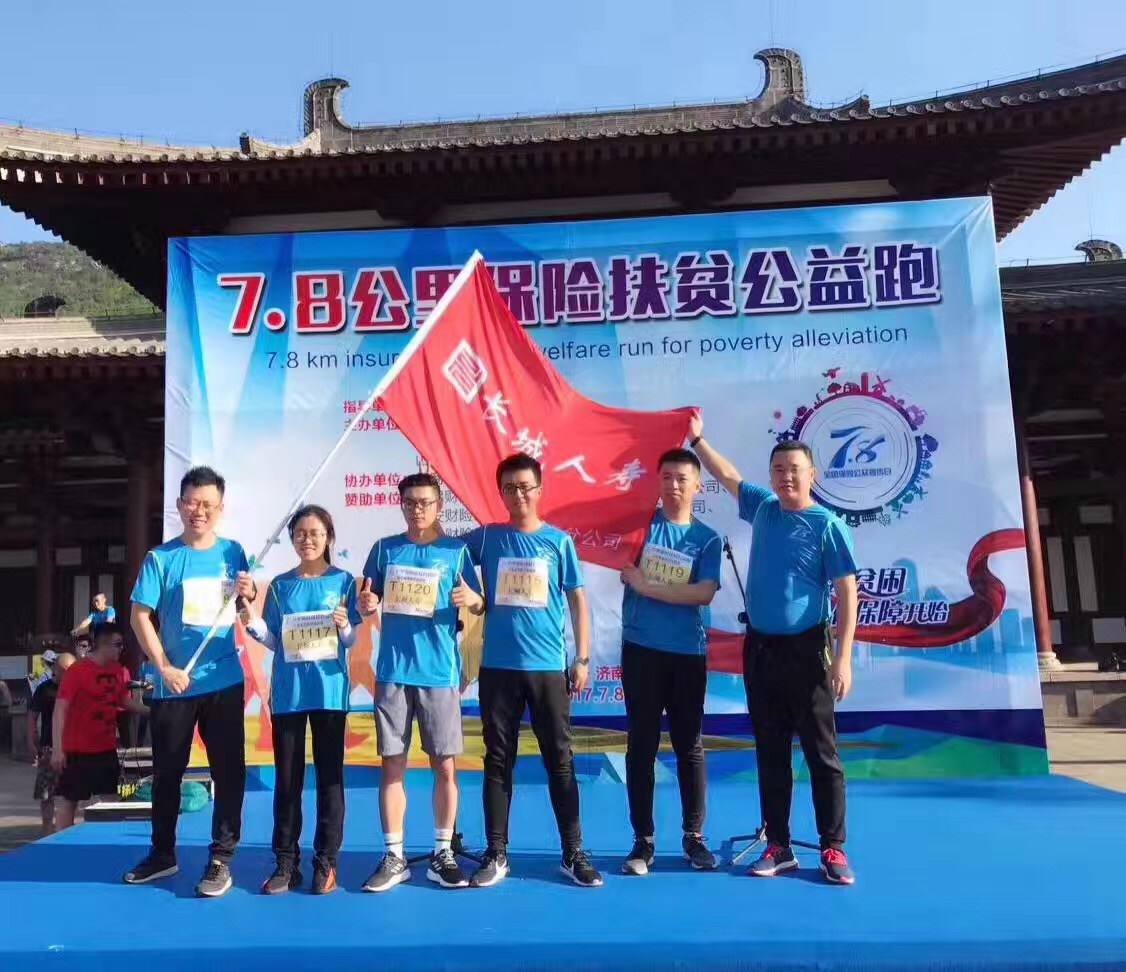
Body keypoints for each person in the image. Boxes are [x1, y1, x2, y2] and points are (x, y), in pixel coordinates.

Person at [690, 414, 858, 885]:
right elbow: (728, 476)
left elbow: (847, 593)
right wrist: (698, 440)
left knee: (822, 754)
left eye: (794, 470)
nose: (786, 477)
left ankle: (833, 847)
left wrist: (844, 659)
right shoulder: (764, 508)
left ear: (812, 475)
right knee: (771, 750)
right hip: (761, 651)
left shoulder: (828, 526)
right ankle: (779, 845)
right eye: (778, 470)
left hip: (808, 652)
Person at [463, 454, 601, 888]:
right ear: (501, 493)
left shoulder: (558, 542)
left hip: (548, 669)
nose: (518, 495)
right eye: (509, 488)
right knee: (497, 761)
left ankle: (573, 851)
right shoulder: (487, 538)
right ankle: (496, 852)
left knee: (560, 760)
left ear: (539, 490)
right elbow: (445, 556)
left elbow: (578, 599)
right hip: (498, 669)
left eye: (525, 487)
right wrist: (475, 598)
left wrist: (582, 658)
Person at [126, 465, 256, 897]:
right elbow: (140, 616)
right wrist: (163, 666)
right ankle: (162, 853)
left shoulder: (233, 552)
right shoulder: (161, 559)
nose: (199, 511)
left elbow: (243, 610)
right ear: (180, 505)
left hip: (222, 680)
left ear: (221, 508)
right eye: (192, 503)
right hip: (174, 685)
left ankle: (221, 859)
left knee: (228, 772)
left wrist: (249, 596)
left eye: (208, 504)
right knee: (167, 773)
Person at [358, 473, 484, 893]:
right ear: (401, 505)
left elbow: (479, 602)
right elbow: (366, 601)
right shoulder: (384, 549)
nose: (418, 509)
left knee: (444, 766)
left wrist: (473, 600)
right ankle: (394, 856)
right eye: (411, 502)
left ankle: (442, 853)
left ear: (439, 506)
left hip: (440, 674)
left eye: (426, 502)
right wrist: (366, 603)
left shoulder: (456, 551)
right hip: (393, 673)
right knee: (392, 764)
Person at [243, 504, 359, 896]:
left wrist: (344, 627)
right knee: (288, 781)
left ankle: (326, 862)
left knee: (330, 780)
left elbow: (350, 640)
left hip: (329, 692)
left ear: (329, 537)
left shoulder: (344, 582)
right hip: (289, 694)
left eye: (316, 533)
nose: (308, 540)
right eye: (300, 534)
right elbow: (275, 639)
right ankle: (285, 863)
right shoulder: (280, 585)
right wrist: (253, 625)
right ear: (291, 539)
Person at [619, 448, 723, 876]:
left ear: (698, 486)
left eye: (682, 478)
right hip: (641, 649)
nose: (674, 485)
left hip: (687, 654)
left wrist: (646, 587)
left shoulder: (708, 539)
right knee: (641, 745)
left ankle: (693, 837)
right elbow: (615, 560)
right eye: (666, 477)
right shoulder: (639, 528)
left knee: (689, 745)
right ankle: (642, 840)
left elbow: (703, 593)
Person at [51, 624, 148, 831]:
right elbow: (60, 709)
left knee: (110, 801)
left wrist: (151, 711)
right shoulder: (77, 671)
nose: (121, 649)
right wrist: (58, 749)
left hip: (106, 749)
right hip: (76, 750)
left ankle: (108, 840)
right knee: (68, 802)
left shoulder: (120, 671)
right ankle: (61, 843)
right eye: (117, 644)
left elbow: (123, 701)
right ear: (103, 644)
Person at [28, 651, 76, 834]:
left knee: (70, 793)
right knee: (46, 794)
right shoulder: (44, 689)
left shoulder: (76, 687)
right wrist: (32, 741)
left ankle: (66, 828)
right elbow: (32, 716)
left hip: (72, 748)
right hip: (48, 747)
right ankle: (46, 829)